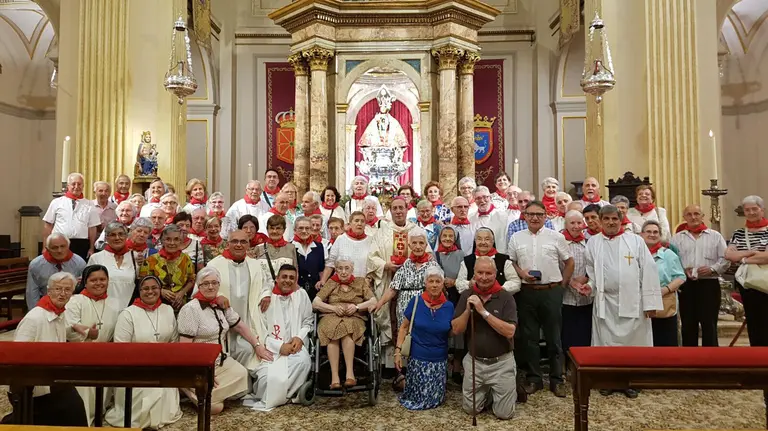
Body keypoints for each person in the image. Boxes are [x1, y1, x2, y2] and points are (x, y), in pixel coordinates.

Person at [582, 205, 662, 398]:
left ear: (621, 220)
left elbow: (649, 271)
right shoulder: (593, 243)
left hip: (633, 301)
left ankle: (632, 381)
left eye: (614, 219)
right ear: (600, 221)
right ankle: (608, 380)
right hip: (605, 303)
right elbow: (592, 272)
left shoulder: (635, 241)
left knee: (633, 345)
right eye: (606, 219)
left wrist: (650, 303)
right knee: (606, 344)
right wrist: (590, 287)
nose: (610, 222)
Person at [508, 201, 573, 397]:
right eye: (531, 214)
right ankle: (534, 378)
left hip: (551, 290)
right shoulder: (516, 238)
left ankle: (556, 379)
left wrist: (562, 286)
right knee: (530, 337)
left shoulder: (556, 237)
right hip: (527, 292)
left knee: (554, 337)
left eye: (539, 214)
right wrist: (522, 274)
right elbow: (511, 262)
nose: (535, 218)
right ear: (525, 216)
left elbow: (569, 262)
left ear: (546, 216)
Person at [6, 272, 87, 426]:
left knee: (74, 409)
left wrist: (75, 328)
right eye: (58, 289)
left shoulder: (60, 313)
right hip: (35, 386)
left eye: (68, 290)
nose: (63, 294)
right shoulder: (34, 318)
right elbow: (17, 353)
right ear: (48, 291)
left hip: (55, 381)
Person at [177, 267, 262, 415]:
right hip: (199, 366)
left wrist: (257, 345)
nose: (210, 287)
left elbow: (240, 326)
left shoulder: (221, 305)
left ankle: (204, 394)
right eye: (205, 284)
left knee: (243, 374)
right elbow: (184, 349)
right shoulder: (190, 310)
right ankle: (189, 390)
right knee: (216, 409)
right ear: (199, 286)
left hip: (219, 361)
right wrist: (198, 372)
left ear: (218, 285)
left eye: (214, 283)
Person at [105, 275, 182, 429]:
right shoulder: (128, 314)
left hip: (162, 367)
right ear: (139, 291)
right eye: (145, 288)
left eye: (154, 288)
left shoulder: (167, 310)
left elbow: (174, 342)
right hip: (135, 370)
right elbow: (121, 348)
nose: (150, 291)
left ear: (160, 290)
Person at [451, 257, 518, 420]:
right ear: (474, 274)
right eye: (480, 272)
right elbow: (456, 329)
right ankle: (490, 392)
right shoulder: (467, 294)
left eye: (489, 273)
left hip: (501, 363)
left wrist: (483, 312)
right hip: (475, 362)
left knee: (504, 414)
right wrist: (468, 311)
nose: (484, 277)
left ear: (496, 274)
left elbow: (510, 331)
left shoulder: (505, 297)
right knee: (471, 410)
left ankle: (504, 390)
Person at [374, 228, 440, 388]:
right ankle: (403, 374)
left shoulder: (432, 264)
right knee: (404, 341)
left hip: (425, 307)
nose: (418, 246)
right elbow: (393, 288)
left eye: (421, 243)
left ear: (426, 245)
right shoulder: (405, 265)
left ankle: (423, 375)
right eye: (415, 243)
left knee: (422, 340)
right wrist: (379, 304)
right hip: (404, 309)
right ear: (409, 245)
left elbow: (438, 287)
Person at [250, 264, 313, 411]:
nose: (287, 280)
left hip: (295, 346)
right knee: (267, 378)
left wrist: (299, 337)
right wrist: (279, 347)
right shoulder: (266, 299)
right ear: (277, 279)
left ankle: (283, 396)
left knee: (303, 362)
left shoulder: (301, 295)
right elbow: (261, 328)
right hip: (271, 348)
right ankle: (285, 396)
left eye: (292, 278)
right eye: (284, 277)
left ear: (296, 280)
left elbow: (308, 321)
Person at [366, 198, 419, 366]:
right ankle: (388, 364)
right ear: (390, 210)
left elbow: (427, 254)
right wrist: (385, 265)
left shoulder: (416, 230)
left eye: (401, 208)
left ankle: (410, 361)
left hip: (411, 285)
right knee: (388, 319)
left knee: (410, 320)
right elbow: (372, 257)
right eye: (394, 208)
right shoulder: (382, 232)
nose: (398, 211)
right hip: (388, 280)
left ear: (406, 209)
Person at [65, 265, 121, 425]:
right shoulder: (75, 301)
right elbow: (69, 327)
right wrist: (88, 334)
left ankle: (98, 415)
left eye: (102, 279)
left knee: (101, 395)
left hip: (105, 355)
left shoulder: (115, 302)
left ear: (108, 281)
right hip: (81, 356)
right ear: (85, 282)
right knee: (84, 395)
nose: (98, 283)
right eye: (93, 280)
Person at [204, 230, 266, 368]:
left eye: (243, 242)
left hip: (245, 322)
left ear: (249, 244)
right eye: (235, 241)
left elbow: (266, 284)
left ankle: (244, 384)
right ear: (227, 243)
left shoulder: (255, 265)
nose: (239, 245)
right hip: (219, 324)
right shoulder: (214, 265)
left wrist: (265, 294)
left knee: (247, 350)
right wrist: (215, 297)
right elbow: (199, 291)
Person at [395, 266, 455, 410]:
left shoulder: (449, 306)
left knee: (433, 400)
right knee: (417, 399)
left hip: (439, 361)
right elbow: (403, 327)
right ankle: (403, 381)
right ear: (425, 283)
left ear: (442, 284)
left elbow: (452, 331)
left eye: (438, 281)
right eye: (431, 281)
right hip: (417, 358)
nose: (434, 285)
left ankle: (402, 382)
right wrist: (398, 351)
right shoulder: (415, 302)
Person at [313, 258, 377, 389]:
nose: (343, 272)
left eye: (346, 268)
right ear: (335, 270)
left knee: (347, 331)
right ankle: (335, 377)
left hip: (354, 316)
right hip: (331, 316)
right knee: (332, 333)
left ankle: (349, 374)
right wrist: (333, 308)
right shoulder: (331, 283)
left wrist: (357, 307)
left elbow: (373, 301)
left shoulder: (360, 282)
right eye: (340, 268)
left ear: (352, 269)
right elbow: (316, 302)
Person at [671, 204, 729, 347]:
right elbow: (671, 260)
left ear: (702, 216)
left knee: (709, 324)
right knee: (688, 323)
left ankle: (711, 359)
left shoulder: (715, 236)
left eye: (696, 213)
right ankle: (689, 359)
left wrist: (712, 269)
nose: (693, 217)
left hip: (709, 284)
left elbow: (725, 259)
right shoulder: (677, 239)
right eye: (689, 214)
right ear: (684, 217)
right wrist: (683, 270)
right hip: (686, 286)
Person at [725, 195, 768, 347]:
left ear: (762, 210)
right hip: (747, 283)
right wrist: (751, 254)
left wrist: (742, 257)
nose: (751, 212)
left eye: (754, 209)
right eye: (747, 210)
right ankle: (756, 352)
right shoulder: (739, 233)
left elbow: (767, 257)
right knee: (753, 318)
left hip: (766, 281)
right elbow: (729, 255)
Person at [641, 220, 685, 347]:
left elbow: (680, 277)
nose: (652, 234)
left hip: (664, 300)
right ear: (642, 234)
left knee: (664, 338)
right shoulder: (637, 254)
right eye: (648, 232)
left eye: (656, 232)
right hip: (642, 301)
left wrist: (665, 290)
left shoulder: (668, 254)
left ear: (660, 235)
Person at [43, 172, 101, 260]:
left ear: (83, 186)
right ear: (68, 186)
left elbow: (92, 228)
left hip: (81, 244)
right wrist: (45, 247)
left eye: (79, 184)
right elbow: (48, 225)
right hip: (59, 243)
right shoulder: (57, 202)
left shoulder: (90, 204)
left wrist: (91, 248)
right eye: (73, 184)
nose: (76, 187)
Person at [560, 210, 593, 359]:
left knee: (585, 332)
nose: (576, 226)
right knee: (567, 333)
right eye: (572, 223)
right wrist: (569, 281)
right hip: (565, 297)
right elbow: (555, 266)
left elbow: (594, 266)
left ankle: (584, 363)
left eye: (579, 222)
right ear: (565, 224)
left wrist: (587, 278)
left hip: (585, 297)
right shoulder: (559, 242)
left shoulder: (589, 243)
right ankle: (567, 365)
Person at [140, 225, 196, 312]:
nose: (172, 243)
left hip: (181, 305)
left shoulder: (186, 259)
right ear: (162, 241)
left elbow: (191, 279)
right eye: (168, 239)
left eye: (176, 239)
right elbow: (142, 282)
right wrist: (160, 291)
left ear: (181, 241)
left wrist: (182, 293)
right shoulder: (151, 260)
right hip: (157, 305)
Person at [26, 233, 86, 310]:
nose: (59, 250)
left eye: (63, 246)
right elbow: (32, 292)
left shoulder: (79, 262)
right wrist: (35, 312)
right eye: (54, 248)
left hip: (72, 306)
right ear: (47, 249)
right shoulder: (36, 264)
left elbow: (84, 289)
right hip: (45, 306)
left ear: (68, 246)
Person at [87, 222, 138, 309]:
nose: (117, 238)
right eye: (112, 235)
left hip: (130, 308)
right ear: (106, 238)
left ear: (126, 236)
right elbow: (88, 285)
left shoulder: (136, 257)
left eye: (121, 234)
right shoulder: (96, 258)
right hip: (102, 308)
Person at [456, 228, 520, 294]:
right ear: (475, 241)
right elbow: (458, 283)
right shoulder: (467, 261)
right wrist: (469, 284)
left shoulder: (504, 260)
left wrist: (500, 289)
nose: (483, 242)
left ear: (493, 241)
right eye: (479, 239)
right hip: (473, 299)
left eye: (487, 239)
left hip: (499, 300)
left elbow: (515, 282)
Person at [323, 211, 372, 280]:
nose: (359, 223)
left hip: (363, 284)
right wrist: (323, 281)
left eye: (362, 221)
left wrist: (369, 279)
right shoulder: (341, 239)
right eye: (356, 221)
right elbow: (330, 263)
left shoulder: (371, 241)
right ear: (350, 224)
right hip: (342, 284)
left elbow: (373, 265)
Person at [257, 215, 299, 291]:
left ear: (284, 230)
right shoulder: (259, 248)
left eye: (278, 228)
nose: (275, 231)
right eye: (272, 228)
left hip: (284, 292)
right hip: (263, 293)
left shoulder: (291, 248)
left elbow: (295, 272)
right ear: (267, 229)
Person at [293, 217, 325, 301]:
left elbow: (321, 270)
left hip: (314, 290)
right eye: (300, 228)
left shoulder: (318, 246)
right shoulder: (290, 247)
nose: (304, 231)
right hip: (295, 290)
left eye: (307, 228)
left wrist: (321, 283)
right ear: (294, 230)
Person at [470, 186, 509, 253]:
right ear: (474, 200)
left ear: (490, 198)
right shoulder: (470, 218)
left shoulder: (503, 216)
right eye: (478, 198)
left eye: (485, 197)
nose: (482, 201)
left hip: (499, 255)